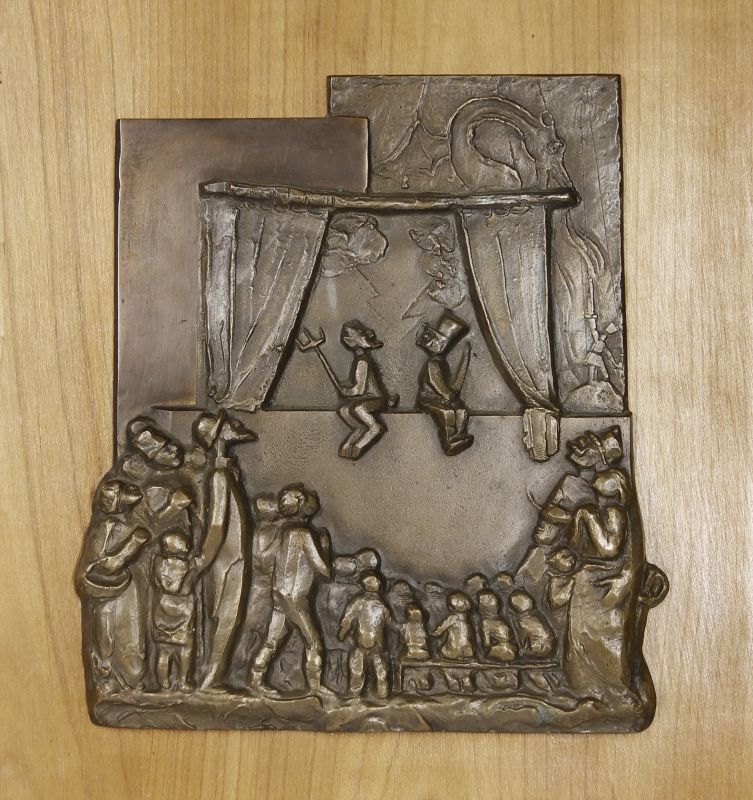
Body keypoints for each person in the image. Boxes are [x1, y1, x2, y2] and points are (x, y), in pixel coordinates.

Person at [191, 410, 258, 690]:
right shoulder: (219, 476)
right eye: (227, 424)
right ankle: (208, 681)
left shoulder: (227, 472)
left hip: (235, 558)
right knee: (224, 618)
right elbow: (217, 524)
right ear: (219, 437)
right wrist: (202, 560)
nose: (235, 424)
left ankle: (213, 679)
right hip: (226, 561)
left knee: (232, 618)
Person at [249, 485, 331, 693]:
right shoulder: (302, 534)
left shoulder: (280, 531)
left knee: (272, 640)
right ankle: (315, 688)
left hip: (279, 593)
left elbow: (265, 563)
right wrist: (325, 545)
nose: (314, 499)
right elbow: (324, 570)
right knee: (313, 642)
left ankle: (256, 680)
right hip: (294, 597)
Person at [76, 480, 150, 692]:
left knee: (132, 644)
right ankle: (108, 682)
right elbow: (101, 566)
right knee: (107, 638)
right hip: (109, 593)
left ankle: (131, 683)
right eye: (122, 494)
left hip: (127, 592)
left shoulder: (127, 523)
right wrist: (132, 544)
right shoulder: (105, 527)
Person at [415, 310, 473, 455]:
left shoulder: (442, 362)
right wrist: (447, 394)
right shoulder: (433, 363)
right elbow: (435, 383)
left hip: (442, 397)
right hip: (428, 398)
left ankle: (460, 435)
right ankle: (449, 441)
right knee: (447, 413)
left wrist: (466, 357)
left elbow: (454, 386)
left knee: (462, 411)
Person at [336, 320, 394, 459]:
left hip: (376, 398)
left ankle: (374, 428)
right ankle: (356, 431)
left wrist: (347, 392)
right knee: (343, 410)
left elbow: (359, 389)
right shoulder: (360, 359)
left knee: (358, 409)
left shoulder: (362, 361)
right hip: (367, 397)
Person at [151, 530, 198, 691]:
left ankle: (163, 683)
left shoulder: (158, 561)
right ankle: (182, 682)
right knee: (185, 647)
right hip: (181, 609)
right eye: (182, 542)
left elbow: (157, 582)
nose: (187, 546)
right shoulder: (183, 565)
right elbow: (176, 588)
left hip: (161, 608)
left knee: (164, 649)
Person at [338, 572, 393, 699]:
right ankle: (381, 695)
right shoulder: (380, 604)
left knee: (364, 670)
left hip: (364, 643)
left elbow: (347, 620)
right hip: (375, 644)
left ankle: (358, 696)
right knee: (376, 670)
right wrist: (342, 633)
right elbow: (390, 622)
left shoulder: (360, 602)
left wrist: (342, 634)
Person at [508, 590, 555, 658]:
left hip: (541, 644)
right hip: (544, 643)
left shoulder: (524, 621)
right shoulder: (531, 617)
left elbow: (523, 641)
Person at [432, 592, 474, 660]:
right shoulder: (459, 619)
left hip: (459, 648)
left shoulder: (458, 618)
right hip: (461, 648)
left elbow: (443, 627)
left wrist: (436, 633)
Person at [477, 590, 517, 663]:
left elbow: (486, 643)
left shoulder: (485, 622)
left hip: (501, 650)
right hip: (511, 648)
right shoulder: (501, 621)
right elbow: (510, 635)